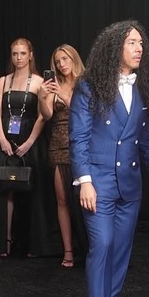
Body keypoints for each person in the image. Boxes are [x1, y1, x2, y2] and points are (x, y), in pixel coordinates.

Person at [69, 20, 149, 297]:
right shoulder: (89, 86)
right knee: (103, 245)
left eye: (141, 43)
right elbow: (79, 137)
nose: (139, 49)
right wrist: (84, 180)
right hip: (98, 182)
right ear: (115, 48)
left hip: (130, 182)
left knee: (121, 249)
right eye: (131, 43)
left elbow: (148, 138)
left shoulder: (142, 88)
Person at [0, 38, 57, 257]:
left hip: (30, 141)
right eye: (15, 54)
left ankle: (34, 245)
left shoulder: (40, 82)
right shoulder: (3, 81)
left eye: (23, 53)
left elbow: (43, 116)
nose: (19, 58)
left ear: (30, 55)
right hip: (4, 141)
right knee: (4, 190)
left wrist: (30, 141)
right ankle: (4, 242)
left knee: (33, 192)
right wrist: (2, 139)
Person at [38, 44, 87, 267]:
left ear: (73, 58)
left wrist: (64, 97)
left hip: (83, 146)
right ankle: (68, 250)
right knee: (62, 200)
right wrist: (42, 98)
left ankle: (90, 247)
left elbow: (86, 113)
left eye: (65, 59)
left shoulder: (85, 82)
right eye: (57, 61)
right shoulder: (54, 83)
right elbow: (47, 115)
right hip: (58, 145)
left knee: (84, 200)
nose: (61, 64)